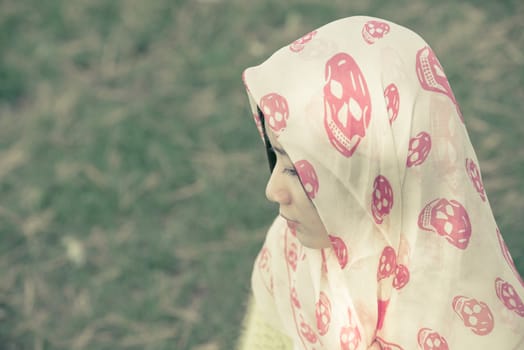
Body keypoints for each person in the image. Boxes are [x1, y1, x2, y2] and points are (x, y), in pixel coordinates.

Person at [237, 16, 524, 349]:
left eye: (297, 172)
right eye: (275, 156)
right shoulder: (288, 258)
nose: (272, 191)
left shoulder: (477, 325)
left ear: (369, 181)